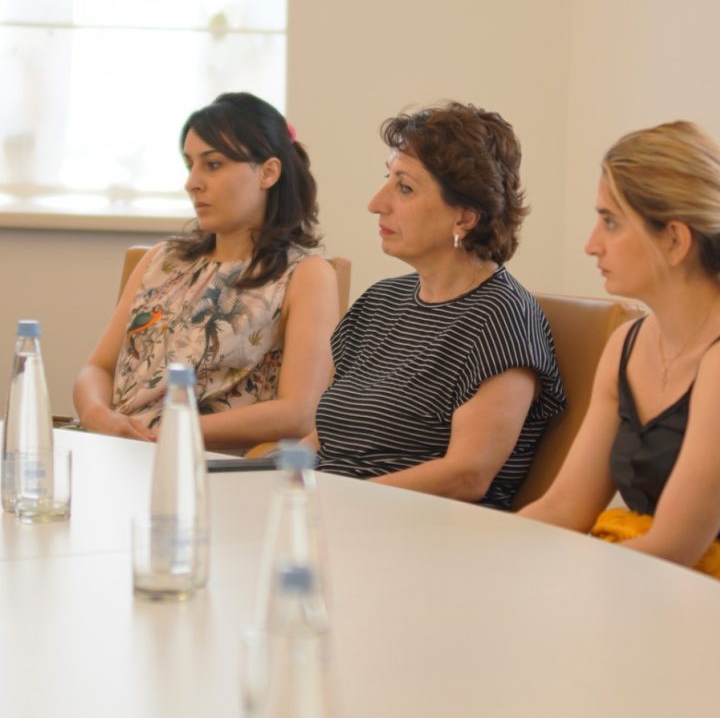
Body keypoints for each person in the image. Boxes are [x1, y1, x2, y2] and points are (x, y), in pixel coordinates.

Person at [520, 121, 720, 614]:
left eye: (610, 222)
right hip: (655, 576)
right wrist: (482, 552)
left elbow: (673, 548)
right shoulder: (626, 344)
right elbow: (565, 506)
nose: (591, 244)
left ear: (674, 241)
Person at [308, 102, 565, 511]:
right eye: (387, 180)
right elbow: (326, 436)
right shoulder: (380, 302)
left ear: (464, 217)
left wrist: (335, 503)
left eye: (405, 188)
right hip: (332, 515)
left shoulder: (502, 317)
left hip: (422, 530)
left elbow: (467, 475)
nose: (376, 203)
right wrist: (270, 476)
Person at [74, 92, 339, 450]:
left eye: (213, 165)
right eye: (190, 165)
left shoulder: (306, 274)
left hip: (200, 464)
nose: (192, 182)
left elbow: (300, 413)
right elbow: (97, 369)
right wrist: (97, 415)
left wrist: (172, 432)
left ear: (268, 172)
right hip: (116, 448)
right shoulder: (161, 260)